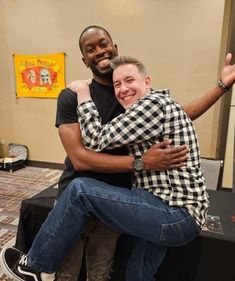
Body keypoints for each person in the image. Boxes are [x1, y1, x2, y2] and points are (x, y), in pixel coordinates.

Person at [1, 54, 235, 281]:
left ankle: (35, 265)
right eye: (117, 84)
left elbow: (95, 139)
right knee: (137, 274)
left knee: (79, 190)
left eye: (129, 81)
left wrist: (83, 94)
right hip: (172, 213)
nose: (123, 89)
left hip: (172, 213)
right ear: (84, 59)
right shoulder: (162, 105)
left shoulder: (151, 105)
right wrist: (221, 86)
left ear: (148, 82)